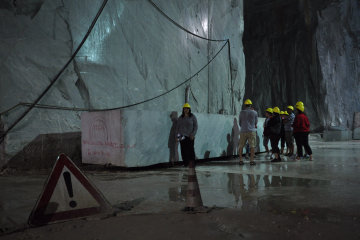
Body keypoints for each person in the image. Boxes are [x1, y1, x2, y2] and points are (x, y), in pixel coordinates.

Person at [238, 99, 258, 165]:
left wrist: (243, 126)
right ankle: (251, 161)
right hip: (251, 131)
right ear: (250, 105)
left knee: (241, 145)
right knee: (252, 146)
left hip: (243, 131)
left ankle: (241, 160)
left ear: (245, 105)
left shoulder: (241, 112)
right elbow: (256, 122)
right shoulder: (254, 112)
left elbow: (240, 123)